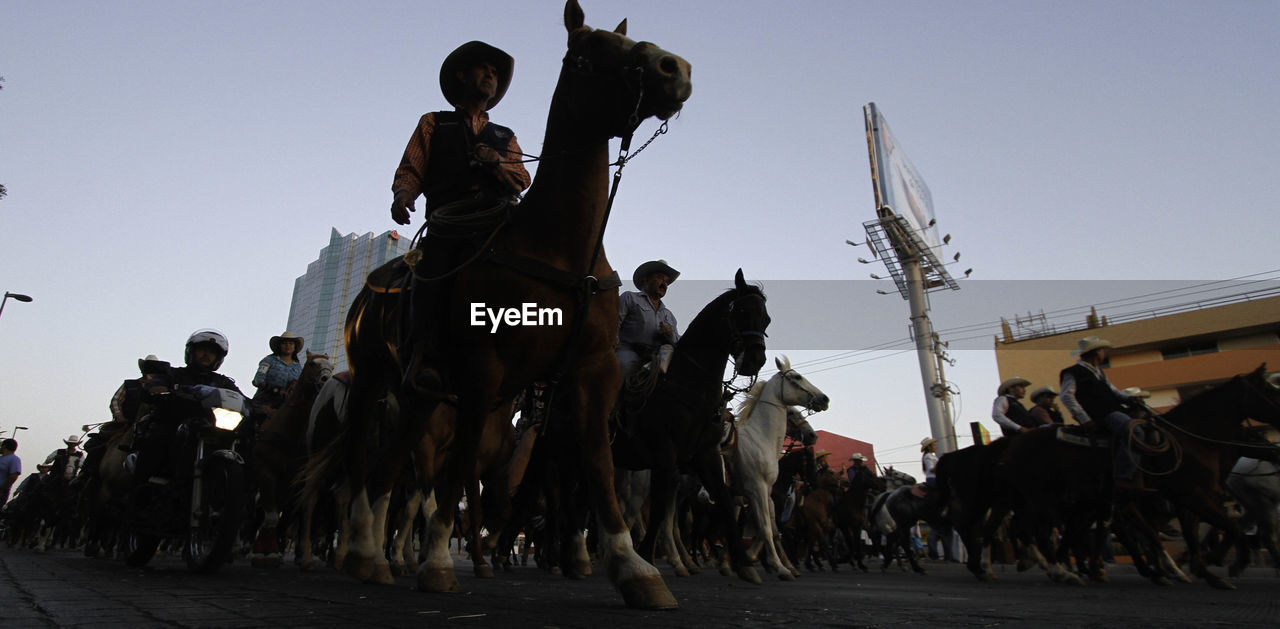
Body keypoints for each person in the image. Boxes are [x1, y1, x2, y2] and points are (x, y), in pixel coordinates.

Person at [390, 41, 532, 396]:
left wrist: (495, 162)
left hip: (495, 218)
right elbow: (412, 168)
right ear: (462, 75)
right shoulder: (434, 122)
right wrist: (403, 195)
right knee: (432, 268)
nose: (490, 76)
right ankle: (425, 353)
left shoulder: (505, 136)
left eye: (496, 73)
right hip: (448, 218)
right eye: (484, 69)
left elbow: (522, 179)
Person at [133, 329, 243, 482]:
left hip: (212, 424)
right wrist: (158, 389)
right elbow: (154, 386)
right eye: (202, 349)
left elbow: (243, 399)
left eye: (212, 352)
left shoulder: (223, 382)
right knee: (158, 439)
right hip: (174, 422)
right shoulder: (174, 374)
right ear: (191, 351)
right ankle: (137, 491)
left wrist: (258, 408)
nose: (206, 354)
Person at [1059, 336, 1149, 492]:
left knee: (1150, 424)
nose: (1104, 353)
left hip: (1115, 410)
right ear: (1095, 353)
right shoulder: (1072, 372)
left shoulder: (1100, 372)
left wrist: (1131, 398)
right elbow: (1066, 396)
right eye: (1102, 350)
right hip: (1102, 415)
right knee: (1134, 432)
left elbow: (1115, 393)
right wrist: (1084, 419)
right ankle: (1123, 476)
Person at [616, 260, 681, 378]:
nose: (664, 284)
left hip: (658, 357)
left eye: (666, 281)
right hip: (629, 351)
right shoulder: (630, 297)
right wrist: (613, 345)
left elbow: (678, 341)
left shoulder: (669, 315)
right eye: (660, 278)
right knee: (624, 365)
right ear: (646, 279)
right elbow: (615, 323)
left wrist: (670, 334)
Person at [252, 331, 305, 411]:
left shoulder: (298, 367)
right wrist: (275, 390)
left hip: (285, 406)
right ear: (280, 346)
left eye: (291, 343)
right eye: (284, 343)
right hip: (263, 404)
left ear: (294, 347)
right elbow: (258, 380)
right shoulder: (268, 360)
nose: (288, 346)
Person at [0, 438, 20, 507]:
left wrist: (2, 489)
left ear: (4, 446)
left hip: (2, 491)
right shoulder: (1, 458)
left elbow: (13, 476)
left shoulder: (14, 459)